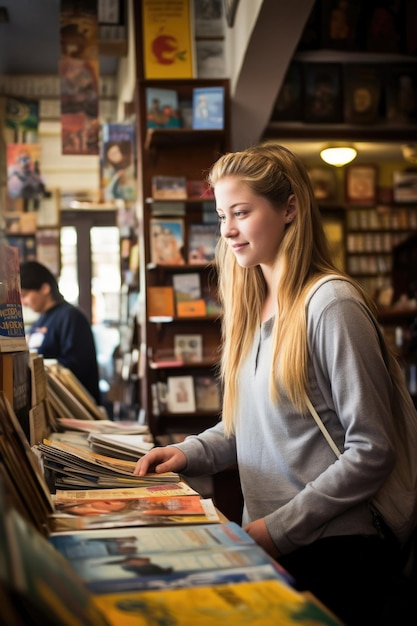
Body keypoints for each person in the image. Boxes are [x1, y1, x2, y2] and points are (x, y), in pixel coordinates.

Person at [134, 143, 414, 625]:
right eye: (222, 215)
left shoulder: (331, 305)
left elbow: (372, 448)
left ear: (289, 209)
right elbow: (250, 426)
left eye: (241, 212)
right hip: (274, 544)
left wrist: (274, 531)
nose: (227, 231)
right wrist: (189, 452)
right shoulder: (251, 308)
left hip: (335, 552)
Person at [19, 260, 101, 404]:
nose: (23, 302)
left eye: (25, 294)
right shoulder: (41, 320)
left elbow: (74, 367)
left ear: (45, 288)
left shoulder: (70, 317)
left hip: (75, 406)